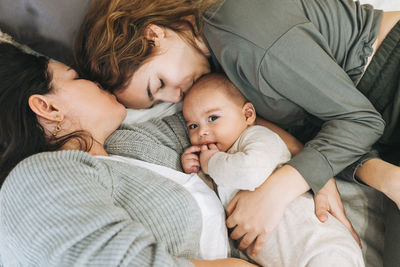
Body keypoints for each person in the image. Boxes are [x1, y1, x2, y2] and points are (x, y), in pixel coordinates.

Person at [74, 0, 400, 265]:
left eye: (158, 83)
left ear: (153, 34)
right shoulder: (211, 64)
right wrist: (336, 172)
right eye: (157, 100)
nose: (173, 98)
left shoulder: (239, 32)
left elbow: (360, 120)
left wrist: (279, 190)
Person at [0, 42, 258, 267]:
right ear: (48, 107)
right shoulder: (33, 181)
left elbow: (237, 123)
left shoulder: (129, 143)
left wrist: (283, 185)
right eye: (76, 77)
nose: (95, 81)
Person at [180, 73, 365, 266]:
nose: (201, 131)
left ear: (248, 115)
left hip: (321, 247)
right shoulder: (219, 158)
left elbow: (249, 173)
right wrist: (196, 168)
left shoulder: (259, 137)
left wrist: (210, 163)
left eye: (213, 117)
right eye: (193, 125)